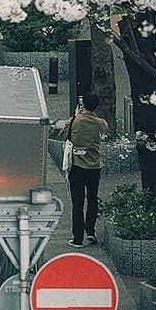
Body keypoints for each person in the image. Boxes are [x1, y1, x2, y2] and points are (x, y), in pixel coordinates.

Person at [58, 92, 109, 247]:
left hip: (78, 167)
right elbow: (104, 134)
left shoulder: (74, 121)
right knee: (92, 199)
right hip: (95, 167)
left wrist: (75, 116)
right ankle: (91, 231)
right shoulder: (101, 123)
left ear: (83, 105)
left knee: (78, 203)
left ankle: (78, 238)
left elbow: (62, 135)